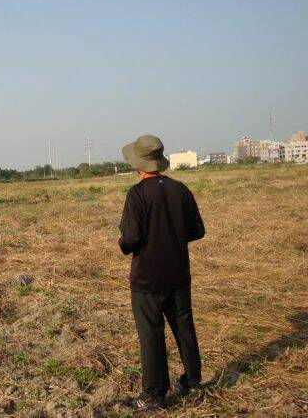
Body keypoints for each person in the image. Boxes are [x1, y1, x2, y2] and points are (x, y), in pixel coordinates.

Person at [119, 135, 205, 411]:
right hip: (179, 275)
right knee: (184, 329)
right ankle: (192, 384)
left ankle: (154, 395)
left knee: (151, 336)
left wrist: (123, 241)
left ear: (138, 164)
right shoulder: (181, 189)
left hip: (147, 280)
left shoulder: (137, 194)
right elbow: (197, 230)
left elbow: (130, 239)